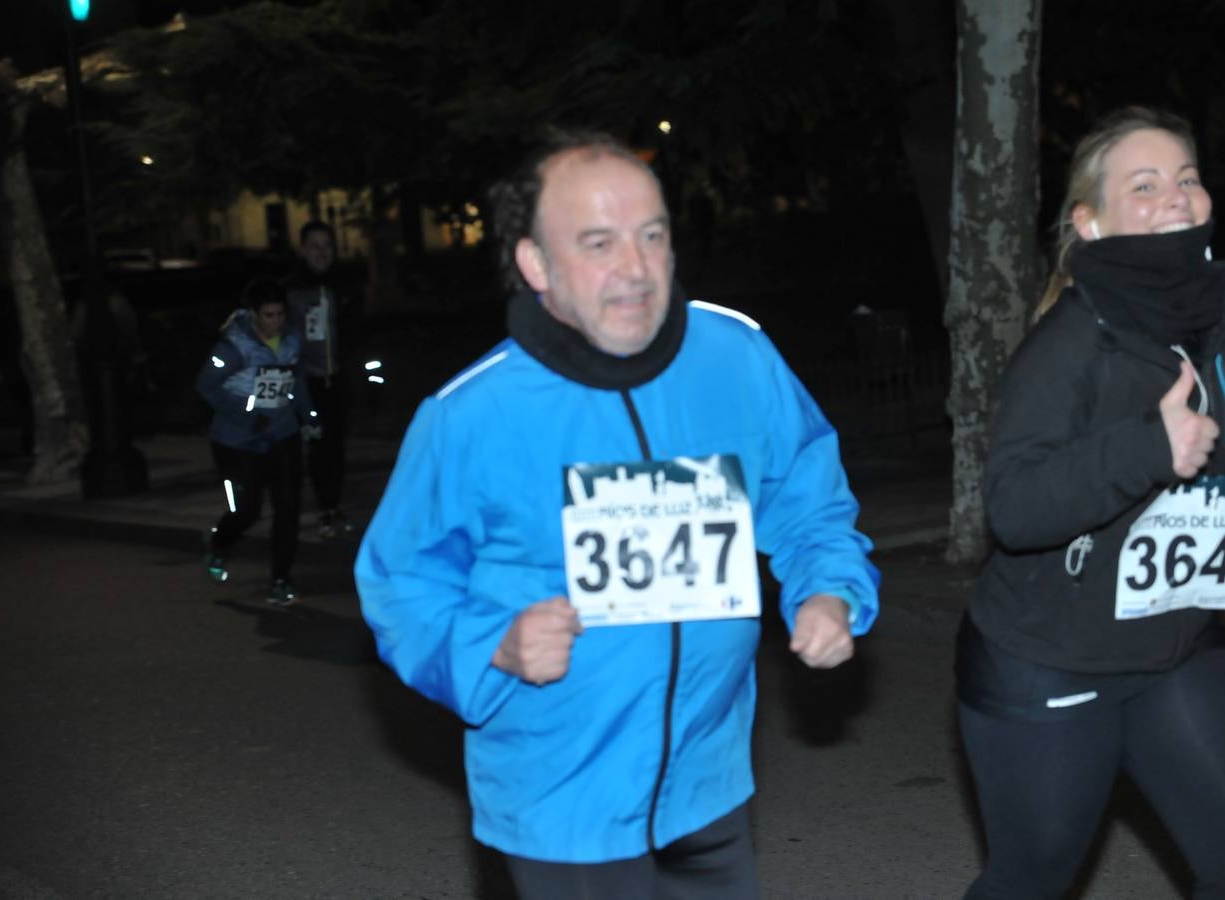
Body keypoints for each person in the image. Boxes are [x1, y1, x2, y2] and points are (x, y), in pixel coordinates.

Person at [354, 130, 880, 899]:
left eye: (652, 236)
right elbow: (399, 584)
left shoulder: (737, 356)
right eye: (598, 243)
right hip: (562, 807)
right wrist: (493, 645)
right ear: (536, 264)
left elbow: (808, 496)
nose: (635, 270)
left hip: (711, 785)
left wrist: (828, 590)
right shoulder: (471, 415)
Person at [956, 106, 1225, 899]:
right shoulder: (1066, 347)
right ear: (1089, 223)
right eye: (1145, 184)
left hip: (1177, 646)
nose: (1177, 195)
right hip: (1047, 663)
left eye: (1188, 177)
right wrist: (1146, 449)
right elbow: (1015, 507)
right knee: (1032, 878)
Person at [197, 277, 316, 607]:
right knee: (247, 510)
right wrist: (248, 416)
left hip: (282, 433)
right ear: (252, 314)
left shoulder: (291, 341)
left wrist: (311, 417)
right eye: (268, 315)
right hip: (237, 440)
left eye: (280, 314)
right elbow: (206, 387)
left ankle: (281, 579)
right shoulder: (232, 347)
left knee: (288, 508)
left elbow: (298, 382)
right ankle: (219, 544)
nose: (275, 322)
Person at [284, 220, 354, 538]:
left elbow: (357, 332)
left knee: (336, 447)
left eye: (327, 246)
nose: (321, 253)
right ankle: (323, 508)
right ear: (302, 250)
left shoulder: (344, 286)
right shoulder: (293, 289)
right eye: (314, 246)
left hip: (336, 378)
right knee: (317, 447)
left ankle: (334, 505)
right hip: (307, 382)